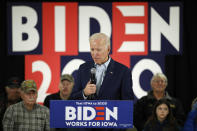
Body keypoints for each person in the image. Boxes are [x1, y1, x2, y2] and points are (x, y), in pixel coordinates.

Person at [71, 33, 134, 100]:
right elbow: (72, 98)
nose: (95, 54)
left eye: (98, 50)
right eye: (92, 49)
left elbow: (128, 102)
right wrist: (84, 93)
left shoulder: (123, 71)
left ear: (108, 49)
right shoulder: (83, 68)